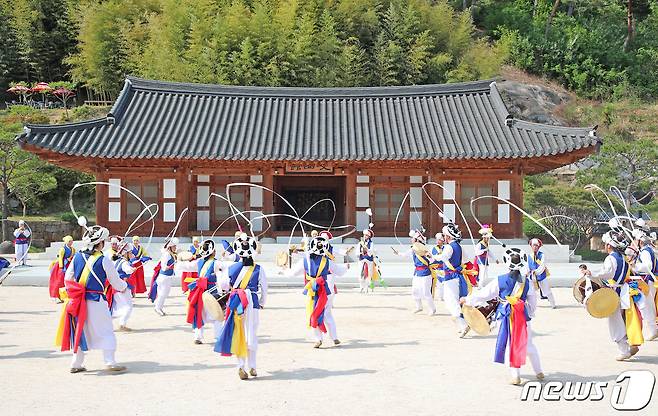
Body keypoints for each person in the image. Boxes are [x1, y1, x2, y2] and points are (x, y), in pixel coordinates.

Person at [460, 248, 544, 385]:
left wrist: (467, 300)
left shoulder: (500, 280)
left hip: (505, 315)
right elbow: (533, 302)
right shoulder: (527, 282)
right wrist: (528, 312)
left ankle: (515, 375)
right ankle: (539, 371)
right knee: (528, 345)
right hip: (522, 316)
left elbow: (484, 295)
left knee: (511, 344)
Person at [55, 221, 128, 373]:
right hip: (96, 301)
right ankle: (110, 361)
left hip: (78, 302)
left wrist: (77, 291)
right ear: (100, 243)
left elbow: (68, 279)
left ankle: (76, 364)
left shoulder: (77, 257)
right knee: (106, 329)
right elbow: (116, 283)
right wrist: (124, 286)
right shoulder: (104, 260)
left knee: (80, 330)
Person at [583, 231, 645, 360]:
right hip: (623, 291)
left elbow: (607, 274)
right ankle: (629, 345)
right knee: (622, 319)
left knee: (615, 322)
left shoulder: (611, 258)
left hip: (615, 293)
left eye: (605, 244)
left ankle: (624, 350)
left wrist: (591, 273)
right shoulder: (622, 258)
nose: (604, 246)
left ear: (609, 246)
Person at [215, 233, 268, 380]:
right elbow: (264, 287)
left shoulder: (231, 268)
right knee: (252, 332)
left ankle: (240, 366)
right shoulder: (259, 269)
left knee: (239, 333)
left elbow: (223, 288)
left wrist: (219, 275)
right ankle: (253, 366)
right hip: (252, 302)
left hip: (237, 302)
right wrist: (262, 302)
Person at [286, 233, 339, 348]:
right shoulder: (327, 261)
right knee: (327, 313)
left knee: (313, 311)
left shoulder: (305, 261)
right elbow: (338, 270)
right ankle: (334, 337)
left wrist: (285, 271)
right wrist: (346, 267)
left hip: (313, 290)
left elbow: (293, 273)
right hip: (325, 290)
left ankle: (318, 339)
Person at [432, 223, 470, 337]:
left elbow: (443, 257)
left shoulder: (449, 247)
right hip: (458, 276)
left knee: (450, 301)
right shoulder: (459, 246)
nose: (443, 238)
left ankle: (463, 325)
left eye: (444, 235)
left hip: (451, 278)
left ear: (448, 236)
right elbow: (466, 259)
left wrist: (432, 256)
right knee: (458, 300)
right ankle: (463, 323)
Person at [187, 239, 224, 344]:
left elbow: (187, 266)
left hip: (200, 291)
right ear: (213, 251)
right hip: (212, 291)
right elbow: (222, 276)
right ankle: (217, 337)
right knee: (217, 314)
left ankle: (198, 336)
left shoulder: (199, 261)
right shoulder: (216, 262)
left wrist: (181, 259)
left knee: (199, 313)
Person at [393, 229, 436, 316]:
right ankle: (419, 306)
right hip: (417, 272)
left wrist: (427, 255)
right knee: (415, 291)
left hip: (425, 272)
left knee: (426, 292)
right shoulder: (413, 249)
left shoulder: (425, 249)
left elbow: (432, 260)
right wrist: (398, 253)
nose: (411, 239)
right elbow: (405, 254)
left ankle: (432, 309)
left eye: (412, 238)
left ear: (417, 240)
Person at [631, 225, 658, 341]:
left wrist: (635, 266)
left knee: (647, 306)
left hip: (648, 282)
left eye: (635, 240)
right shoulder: (647, 250)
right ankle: (653, 329)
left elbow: (648, 267)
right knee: (648, 306)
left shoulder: (645, 252)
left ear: (640, 241)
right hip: (648, 282)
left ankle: (653, 330)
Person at [109, 242, 137, 332]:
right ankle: (122, 323)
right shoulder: (124, 262)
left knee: (117, 306)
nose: (131, 254)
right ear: (126, 253)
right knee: (128, 306)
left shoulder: (117, 261)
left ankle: (107, 322)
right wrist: (132, 269)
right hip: (122, 286)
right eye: (130, 252)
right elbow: (128, 270)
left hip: (116, 286)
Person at [148, 237, 178, 316]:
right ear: (170, 247)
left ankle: (159, 307)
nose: (175, 248)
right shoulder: (167, 254)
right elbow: (163, 266)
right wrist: (168, 267)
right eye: (174, 246)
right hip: (164, 277)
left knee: (165, 293)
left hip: (168, 277)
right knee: (163, 293)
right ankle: (157, 308)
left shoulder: (171, 254)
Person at [527, 238, 556, 308]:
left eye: (536, 245)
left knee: (547, 291)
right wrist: (529, 273)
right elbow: (527, 266)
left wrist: (536, 272)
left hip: (541, 276)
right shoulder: (529, 256)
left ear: (538, 246)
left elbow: (542, 266)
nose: (535, 247)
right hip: (532, 277)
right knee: (531, 292)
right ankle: (532, 305)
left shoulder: (542, 255)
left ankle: (553, 304)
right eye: (533, 245)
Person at [49, 236, 75, 303]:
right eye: (69, 241)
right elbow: (60, 258)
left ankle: (64, 295)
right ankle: (55, 296)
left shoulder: (73, 249)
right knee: (58, 281)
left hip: (69, 265)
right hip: (62, 266)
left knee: (68, 280)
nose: (71, 242)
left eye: (71, 241)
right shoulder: (62, 249)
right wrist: (61, 267)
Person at [358, 229, 375, 293]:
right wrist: (359, 253)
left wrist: (367, 249)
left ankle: (367, 287)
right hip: (362, 259)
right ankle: (361, 287)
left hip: (368, 260)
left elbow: (371, 252)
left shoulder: (371, 243)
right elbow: (357, 251)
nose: (365, 236)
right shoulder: (360, 243)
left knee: (369, 274)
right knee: (360, 274)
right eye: (364, 235)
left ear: (369, 236)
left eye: (367, 235)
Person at [430, 232, 446, 301]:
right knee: (438, 284)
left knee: (445, 283)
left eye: (439, 240)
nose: (437, 241)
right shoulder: (433, 248)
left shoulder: (446, 247)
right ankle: (438, 296)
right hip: (437, 268)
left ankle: (444, 296)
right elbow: (432, 258)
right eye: (437, 239)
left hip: (445, 267)